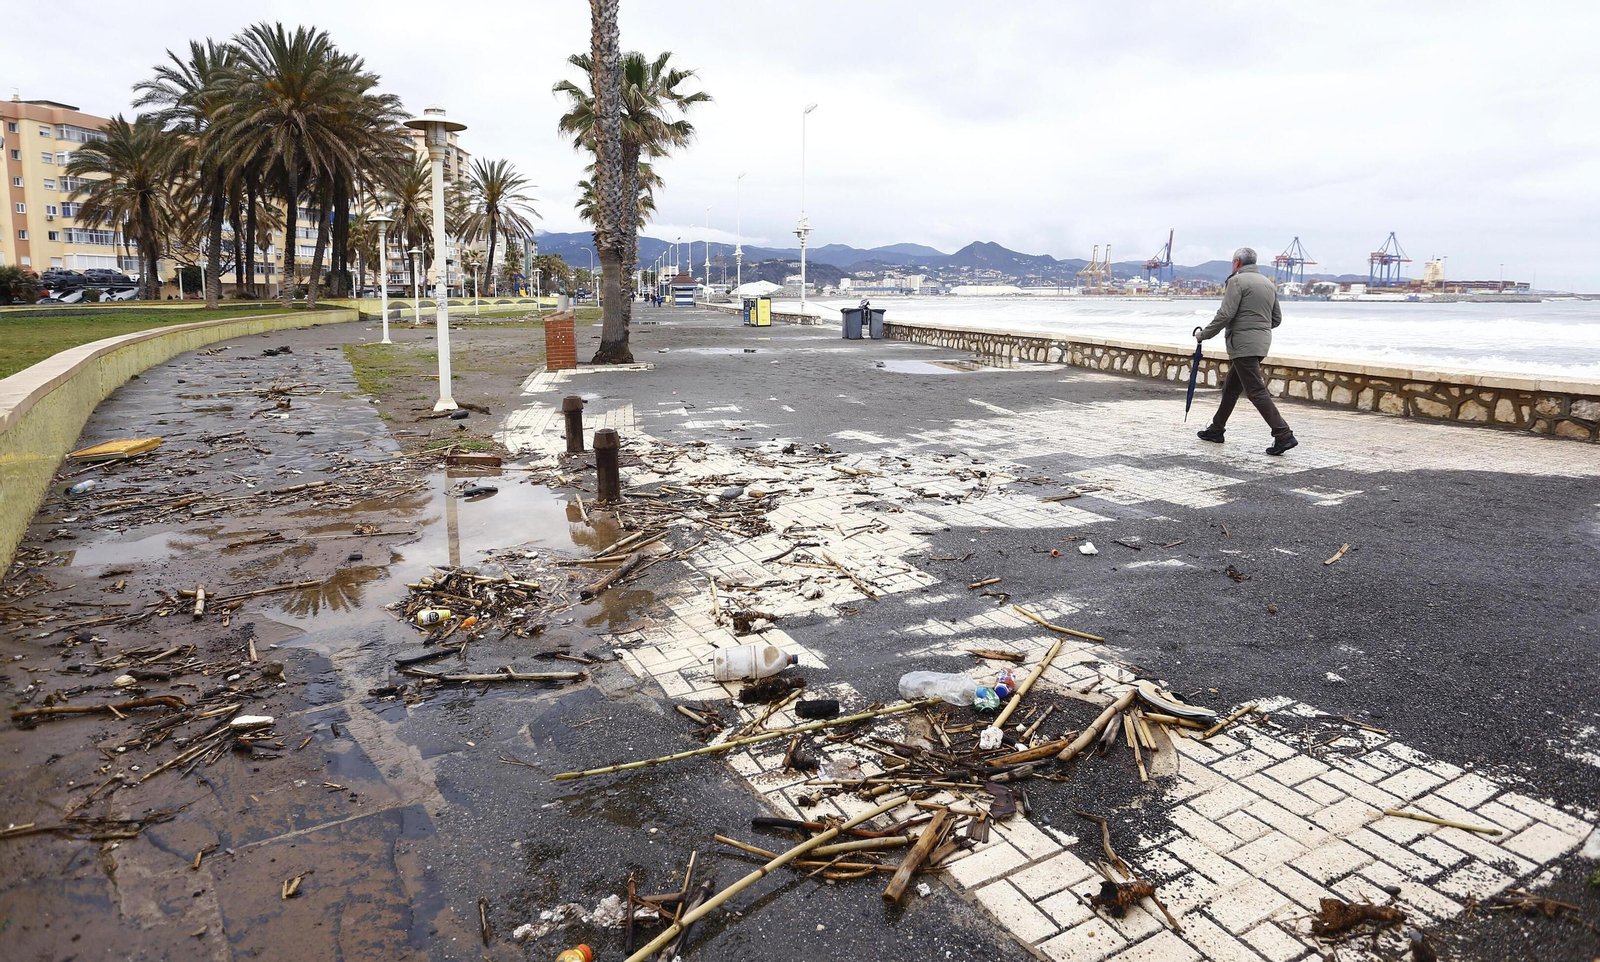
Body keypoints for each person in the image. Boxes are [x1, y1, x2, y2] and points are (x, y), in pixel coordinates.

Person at [1195, 247, 1298, 455]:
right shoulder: (1269, 284)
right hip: (1261, 344)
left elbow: (1225, 314)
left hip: (1243, 345)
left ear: (1237, 263)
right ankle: (1216, 430)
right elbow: (1276, 319)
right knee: (1231, 389)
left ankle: (1283, 434)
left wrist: (1203, 335)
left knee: (1256, 391)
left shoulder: (1236, 281)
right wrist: (1258, 329)